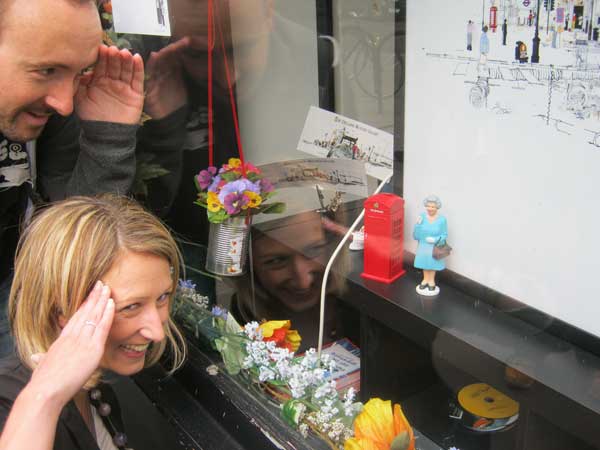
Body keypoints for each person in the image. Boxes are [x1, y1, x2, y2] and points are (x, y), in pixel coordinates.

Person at [0, 0, 145, 357]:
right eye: (47, 70)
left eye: (80, 72)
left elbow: (70, 251)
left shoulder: (51, 118)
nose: (65, 103)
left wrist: (107, 136)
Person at [0, 194, 186, 450]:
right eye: (130, 307)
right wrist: (43, 397)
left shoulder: (94, 389)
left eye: (163, 297)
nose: (157, 332)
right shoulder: (7, 404)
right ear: (61, 308)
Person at [230, 209, 354, 351]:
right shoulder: (244, 314)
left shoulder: (363, 306)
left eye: (314, 251)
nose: (303, 282)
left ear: (334, 246)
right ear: (248, 264)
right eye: (276, 261)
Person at [413, 195, 448, 297]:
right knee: (424, 263)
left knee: (432, 264)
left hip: (434, 247)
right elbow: (416, 236)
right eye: (428, 206)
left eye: (433, 207)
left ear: (437, 207)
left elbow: (444, 235)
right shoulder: (422, 216)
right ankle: (425, 279)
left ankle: (431, 281)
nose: (430, 209)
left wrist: (435, 239)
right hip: (423, 246)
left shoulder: (442, 220)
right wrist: (418, 225)